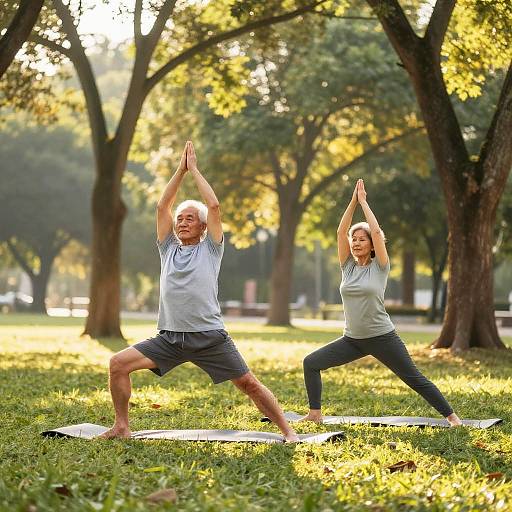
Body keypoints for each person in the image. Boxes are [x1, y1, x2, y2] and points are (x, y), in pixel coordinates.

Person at [101, 141, 298, 442]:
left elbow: (215, 206)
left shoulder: (211, 249)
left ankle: (288, 431)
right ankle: (122, 426)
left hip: (208, 336)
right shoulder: (167, 249)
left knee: (249, 384)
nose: (182, 222)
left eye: (190, 218)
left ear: (204, 226)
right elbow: (162, 206)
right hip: (169, 337)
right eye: (180, 219)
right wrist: (179, 172)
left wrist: (194, 171)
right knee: (118, 364)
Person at [301, 179, 462, 427]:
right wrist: (353, 201)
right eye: (354, 239)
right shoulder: (348, 267)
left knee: (414, 378)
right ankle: (315, 413)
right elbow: (339, 233)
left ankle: (452, 418)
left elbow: (376, 232)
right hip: (352, 340)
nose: (355, 242)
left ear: (372, 245)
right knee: (311, 363)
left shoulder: (380, 267)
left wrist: (364, 203)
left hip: (382, 337)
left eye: (361, 239)